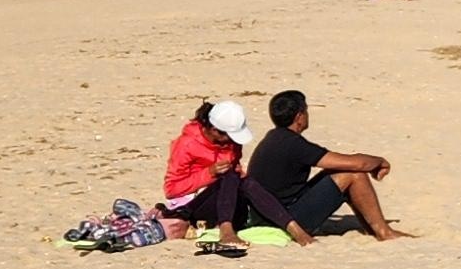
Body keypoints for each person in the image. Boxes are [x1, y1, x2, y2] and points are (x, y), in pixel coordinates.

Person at [247, 86, 400, 241]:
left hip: (268, 214)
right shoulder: (293, 144)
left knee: (337, 171)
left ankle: (371, 229)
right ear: (299, 117)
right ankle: (384, 232)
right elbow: (356, 164)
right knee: (353, 173)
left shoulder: (274, 138)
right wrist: (380, 162)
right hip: (282, 220)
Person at [158, 97, 263, 256]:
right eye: (229, 136)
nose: (232, 141)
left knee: (240, 180)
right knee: (229, 177)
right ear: (215, 130)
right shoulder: (187, 145)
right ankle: (226, 231)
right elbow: (172, 189)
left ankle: (289, 224)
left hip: (224, 196)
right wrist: (209, 173)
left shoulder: (232, 142)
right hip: (193, 204)